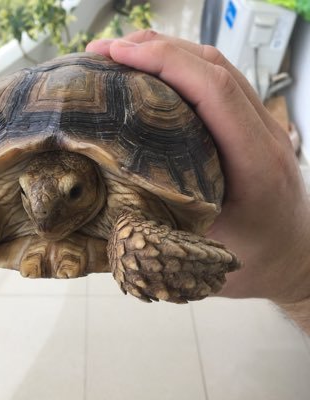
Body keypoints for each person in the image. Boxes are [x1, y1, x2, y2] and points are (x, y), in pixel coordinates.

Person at [86, 30, 310, 334]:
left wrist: (298, 271)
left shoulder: (125, 208)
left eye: (74, 191)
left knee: (134, 247)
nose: (44, 213)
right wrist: (298, 276)